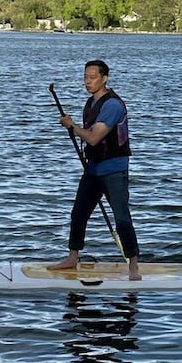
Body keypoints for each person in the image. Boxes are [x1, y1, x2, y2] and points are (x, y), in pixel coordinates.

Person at [49, 59, 141, 280]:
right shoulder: (91, 103)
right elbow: (88, 137)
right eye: (85, 77)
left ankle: (134, 267)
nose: (87, 82)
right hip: (93, 169)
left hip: (114, 170)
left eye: (92, 78)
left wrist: (72, 126)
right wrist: (74, 128)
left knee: (122, 218)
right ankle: (72, 258)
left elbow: (93, 137)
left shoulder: (112, 105)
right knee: (78, 214)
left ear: (104, 78)